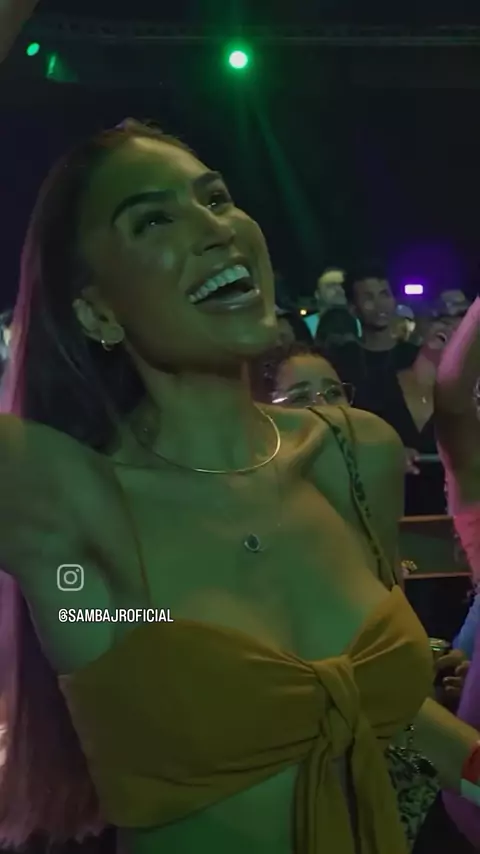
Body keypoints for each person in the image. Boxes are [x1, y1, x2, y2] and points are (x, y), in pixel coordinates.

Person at [1, 8, 480, 854]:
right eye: (153, 220)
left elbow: (381, 708)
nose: (215, 227)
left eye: (215, 197)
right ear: (96, 310)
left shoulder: (351, 454)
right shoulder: (64, 497)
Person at [329, 263, 420, 417]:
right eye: (368, 298)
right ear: (353, 308)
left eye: (384, 294)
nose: (380, 304)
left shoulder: (415, 358)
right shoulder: (341, 360)